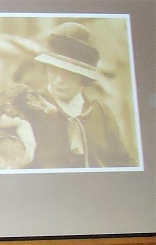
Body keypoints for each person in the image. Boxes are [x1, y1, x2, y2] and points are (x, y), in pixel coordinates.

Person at [24, 21, 133, 168]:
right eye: (54, 70)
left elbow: (124, 165)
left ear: (84, 78)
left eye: (70, 73)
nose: (60, 80)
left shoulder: (102, 115)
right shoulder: (30, 109)